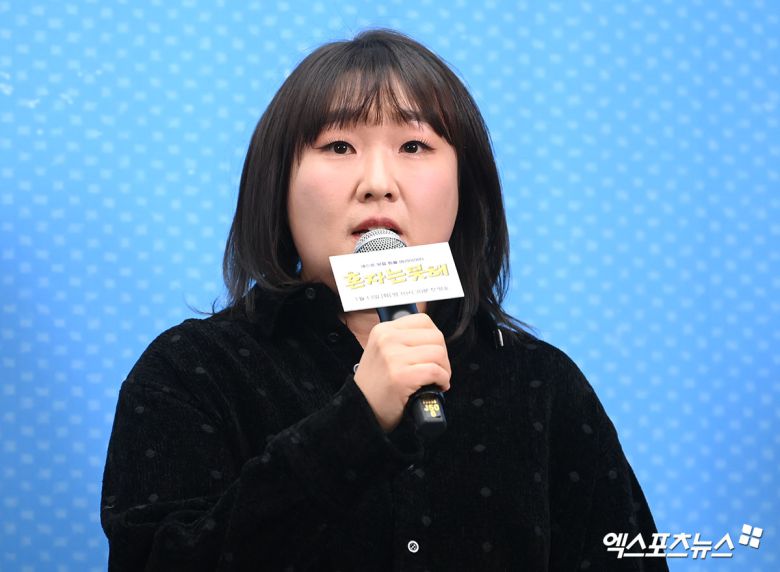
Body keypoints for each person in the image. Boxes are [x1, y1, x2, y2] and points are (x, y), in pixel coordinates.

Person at [101, 29, 667, 571]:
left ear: (466, 185)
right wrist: (354, 424)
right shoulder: (190, 373)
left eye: (414, 145)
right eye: (339, 146)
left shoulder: (543, 385)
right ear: (277, 183)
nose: (377, 182)